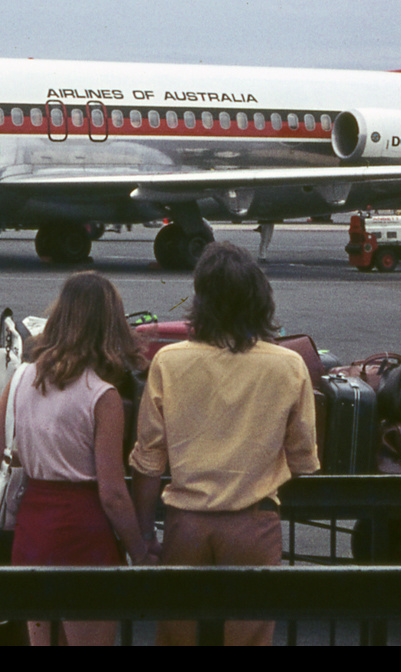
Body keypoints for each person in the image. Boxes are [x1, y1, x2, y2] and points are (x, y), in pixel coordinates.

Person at [129, 241, 320, 646]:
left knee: (176, 635)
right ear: (260, 299)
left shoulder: (168, 361)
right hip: (254, 522)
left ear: (201, 301)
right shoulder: (288, 365)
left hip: (186, 524)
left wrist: (145, 532)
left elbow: (147, 461)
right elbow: (303, 458)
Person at [0, 272, 151, 645]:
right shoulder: (101, 395)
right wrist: (140, 550)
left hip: (32, 528)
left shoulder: (24, 377)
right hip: (84, 534)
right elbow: (112, 494)